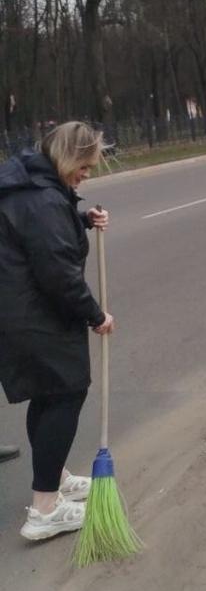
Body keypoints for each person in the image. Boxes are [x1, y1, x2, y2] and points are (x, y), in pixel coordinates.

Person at [0, 121, 114, 541]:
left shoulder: (30, 184)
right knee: (66, 392)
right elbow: (58, 274)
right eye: (84, 166)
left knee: (48, 393)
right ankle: (45, 509)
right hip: (35, 315)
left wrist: (80, 219)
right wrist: (96, 315)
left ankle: (56, 477)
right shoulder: (43, 199)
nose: (86, 174)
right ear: (67, 157)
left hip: (17, 312)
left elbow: (34, 235)